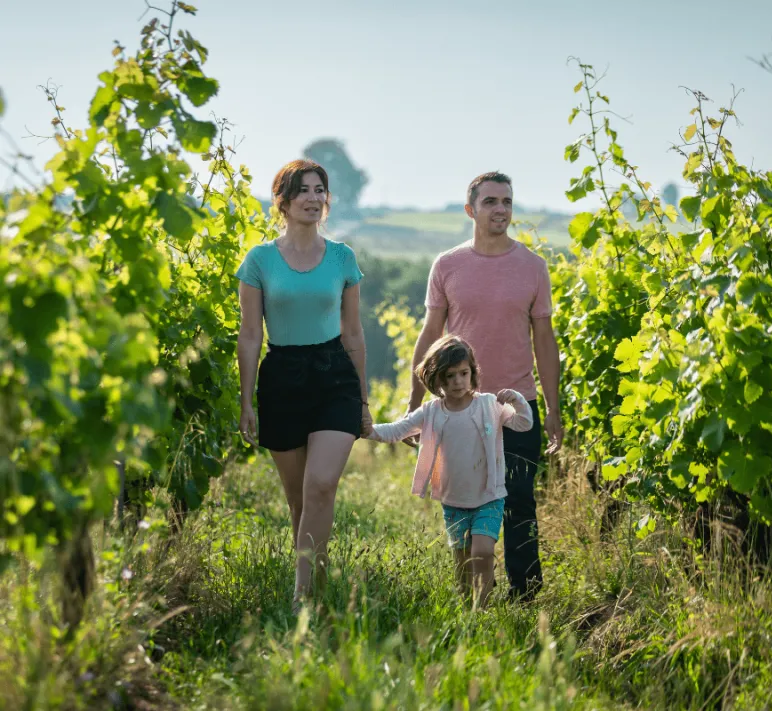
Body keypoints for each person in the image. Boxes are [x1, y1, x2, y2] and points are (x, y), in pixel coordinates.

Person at [405, 171, 563, 602]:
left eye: (507, 202)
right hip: (459, 408)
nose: (501, 210)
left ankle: (526, 594)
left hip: (515, 406)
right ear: (470, 208)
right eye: (491, 201)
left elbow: (544, 343)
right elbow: (430, 336)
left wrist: (552, 408)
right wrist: (413, 406)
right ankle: (474, 595)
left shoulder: (533, 267)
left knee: (520, 501)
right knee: (465, 502)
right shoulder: (448, 264)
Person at [235, 159, 372, 610]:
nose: (314, 198)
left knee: (320, 486)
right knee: (298, 501)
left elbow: (353, 333)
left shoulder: (342, 258)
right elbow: (251, 334)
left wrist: (364, 400)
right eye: (304, 190)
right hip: (282, 378)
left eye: (321, 190)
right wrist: (246, 400)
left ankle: (302, 596)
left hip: (334, 375)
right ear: (283, 201)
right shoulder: (259, 260)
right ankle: (318, 576)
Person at [367, 335, 533, 608]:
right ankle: (466, 606)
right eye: (450, 376)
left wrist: (516, 400)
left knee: (482, 552)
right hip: (454, 500)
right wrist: (368, 431)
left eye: (464, 374)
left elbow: (524, 424)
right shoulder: (432, 412)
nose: (458, 381)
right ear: (437, 380)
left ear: (473, 373)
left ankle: (483, 610)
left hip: (489, 497)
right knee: (463, 561)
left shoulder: (488, 405)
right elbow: (398, 429)